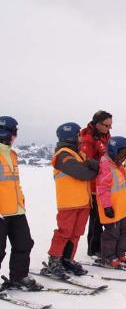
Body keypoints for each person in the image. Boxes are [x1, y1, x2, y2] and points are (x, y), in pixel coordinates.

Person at [46, 122, 99, 278]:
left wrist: (92, 166)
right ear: (71, 136)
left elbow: (96, 166)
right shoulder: (63, 154)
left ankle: (67, 259)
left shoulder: (78, 154)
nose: (81, 138)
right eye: (78, 135)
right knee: (64, 232)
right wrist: (92, 169)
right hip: (69, 203)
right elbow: (83, 173)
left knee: (76, 234)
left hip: (82, 201)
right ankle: (54, 261)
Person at [0, 116, 43, 291]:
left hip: (16, 210)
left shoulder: (11, 155)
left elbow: (14, 183)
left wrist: (21, 201)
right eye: (14, 133)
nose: (15, 136)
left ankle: (18, 277)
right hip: (1, 211)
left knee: (24, 243)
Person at [96, 136, 126, 267]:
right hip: (112, 209)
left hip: (122, 208)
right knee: (112, 234)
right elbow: (102, 188)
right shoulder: (106, 165)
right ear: (114, 151)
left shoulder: (117, 164)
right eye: (123, 153)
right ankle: (108, 257)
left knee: (124, 232)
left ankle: (121, 253)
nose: (125, 157)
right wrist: (107, 207)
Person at [80, 110, 112, 257]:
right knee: (96, 219)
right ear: (98, 124)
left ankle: (98, 247)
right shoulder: (88, 138)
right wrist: (103, 167)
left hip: (104, 182)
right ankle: (93, 249)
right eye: (106, 125)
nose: (109, 128)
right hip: (93, 185)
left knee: (101, 218)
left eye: (110, 126)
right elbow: (86, 161)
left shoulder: (104, 135)